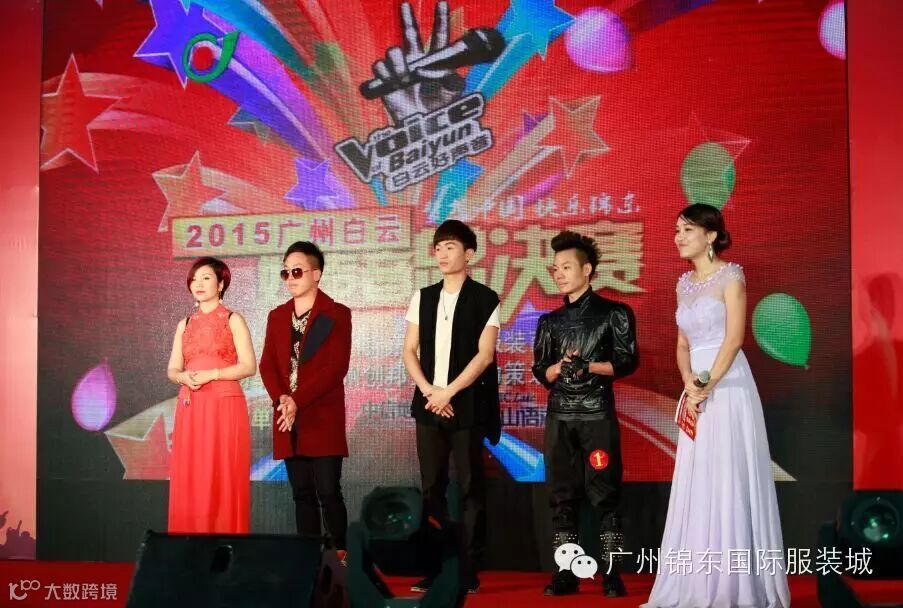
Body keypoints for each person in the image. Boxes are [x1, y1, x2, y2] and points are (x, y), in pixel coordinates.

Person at [643, 204, 790, 607]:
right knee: (699, 473)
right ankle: (696, 580)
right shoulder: (683, 284)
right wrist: (688, 381)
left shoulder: (731, 276)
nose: (679, 237)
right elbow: (682, 343)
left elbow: (734, 339)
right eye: (677, 230)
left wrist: (707, 383)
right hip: (695, 386)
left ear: (710, 236)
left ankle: (735, 584)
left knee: (729, 472)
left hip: (728, 385)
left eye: (687, 230)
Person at [532, 230, 639, 597]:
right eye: (555, 268)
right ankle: (565, 572)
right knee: (561, 496)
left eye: (566, 267)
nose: (559, 274)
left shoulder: (614, 313)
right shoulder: (550, 322)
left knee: (606, 495)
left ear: (587, 269)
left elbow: (627, 361)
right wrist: (557, 369)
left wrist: (589, 367)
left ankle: (611, 573)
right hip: (560, 417)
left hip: (596, 416)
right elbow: (540, 370)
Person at [402, 220, 501, 594]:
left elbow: (485, 355)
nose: (442, 254)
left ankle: (468, 568)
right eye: (438, 247)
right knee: (432, 488)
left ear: (469, 254)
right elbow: (408, 351)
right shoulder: (423, 297)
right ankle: (435, 567)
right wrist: (430, 392)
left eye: (451, 247)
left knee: (471, 487)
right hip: (429, 404)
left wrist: (449, 393)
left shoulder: (485, 298)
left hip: (468, 405)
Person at [259, 241, 352, 556]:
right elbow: (267, 365)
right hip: (287, 416)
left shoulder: (337, 313)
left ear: (316, 274)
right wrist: (282, 400)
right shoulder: (277, 316)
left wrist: (297, 400)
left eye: (297, 271)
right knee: (301, 493)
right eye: (285, 272)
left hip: (321, 414)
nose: (290, 278)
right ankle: (309, 557)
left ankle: (341, 554)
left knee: (328, 491)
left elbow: (336, 368)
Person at [166, 257, 255, 533]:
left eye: (206, 278)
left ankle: (224, 539)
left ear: (221, 284)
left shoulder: (232, 319)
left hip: (224, 403)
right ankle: (189, 541)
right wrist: (182, 377)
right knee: (192, 471)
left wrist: (212, 374)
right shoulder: (184, 324)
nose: (199, 284)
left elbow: (248, 366)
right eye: (194, 279)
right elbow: (173, 368)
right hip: (191, 405)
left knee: (222, 470)